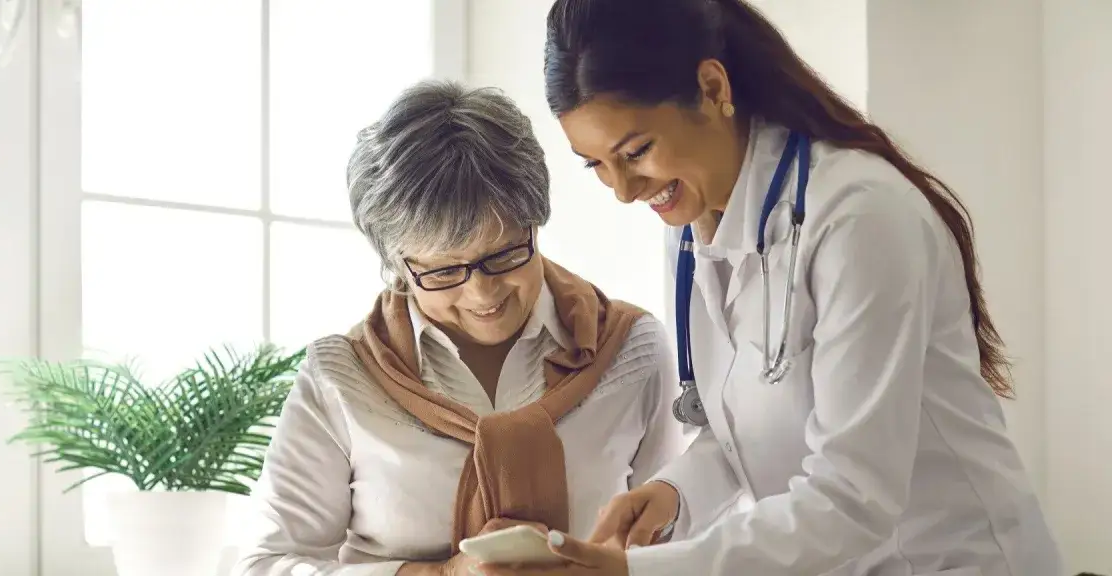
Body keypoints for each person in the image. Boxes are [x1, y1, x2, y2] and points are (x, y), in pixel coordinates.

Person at [481, 0, 1063, 575]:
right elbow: (742, 433)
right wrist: (672, 495)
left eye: (636, 152)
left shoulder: (859, 218)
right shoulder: (689, 226)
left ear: (712, 88)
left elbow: (852, 498)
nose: (625, 190)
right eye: (596, 165)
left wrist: (641, 573)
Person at [232, 80, 686, 576]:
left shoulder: (631, 350)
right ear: (398, 265)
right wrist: (440, 575)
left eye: (505, 254)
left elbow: (683, 547)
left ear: (536, 222)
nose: (482, 294)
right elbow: (266, 565)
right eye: (444, 271)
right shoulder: (341, 376)